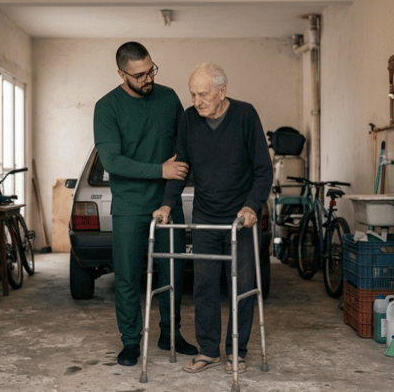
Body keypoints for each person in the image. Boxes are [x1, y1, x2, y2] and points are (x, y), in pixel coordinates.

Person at [153, 62, 273, 375]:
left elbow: (263, 170)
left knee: (242, 286)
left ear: (222, 91)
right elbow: (180, 168)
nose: (197, 101)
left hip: (239, 220)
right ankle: (209, 350)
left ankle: (237, 351)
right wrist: (167, 204)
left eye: (203, 94)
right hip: (205, 217)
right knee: (205, 286)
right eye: (192, 94)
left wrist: (252, 206)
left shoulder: (245, 115)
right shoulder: (189, 119)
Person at [93, 41, 198, 367]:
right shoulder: (107, 106)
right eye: (139, 75)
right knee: (126, 277)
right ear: (122, 73)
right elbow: (111, 160)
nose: (147, 78)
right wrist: (160, 170)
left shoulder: (168, 99)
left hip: (168, 204)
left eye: (150, 70)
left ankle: (170, 333)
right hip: (128, 206)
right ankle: (130, 342)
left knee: (173, 273)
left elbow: (185, 145)